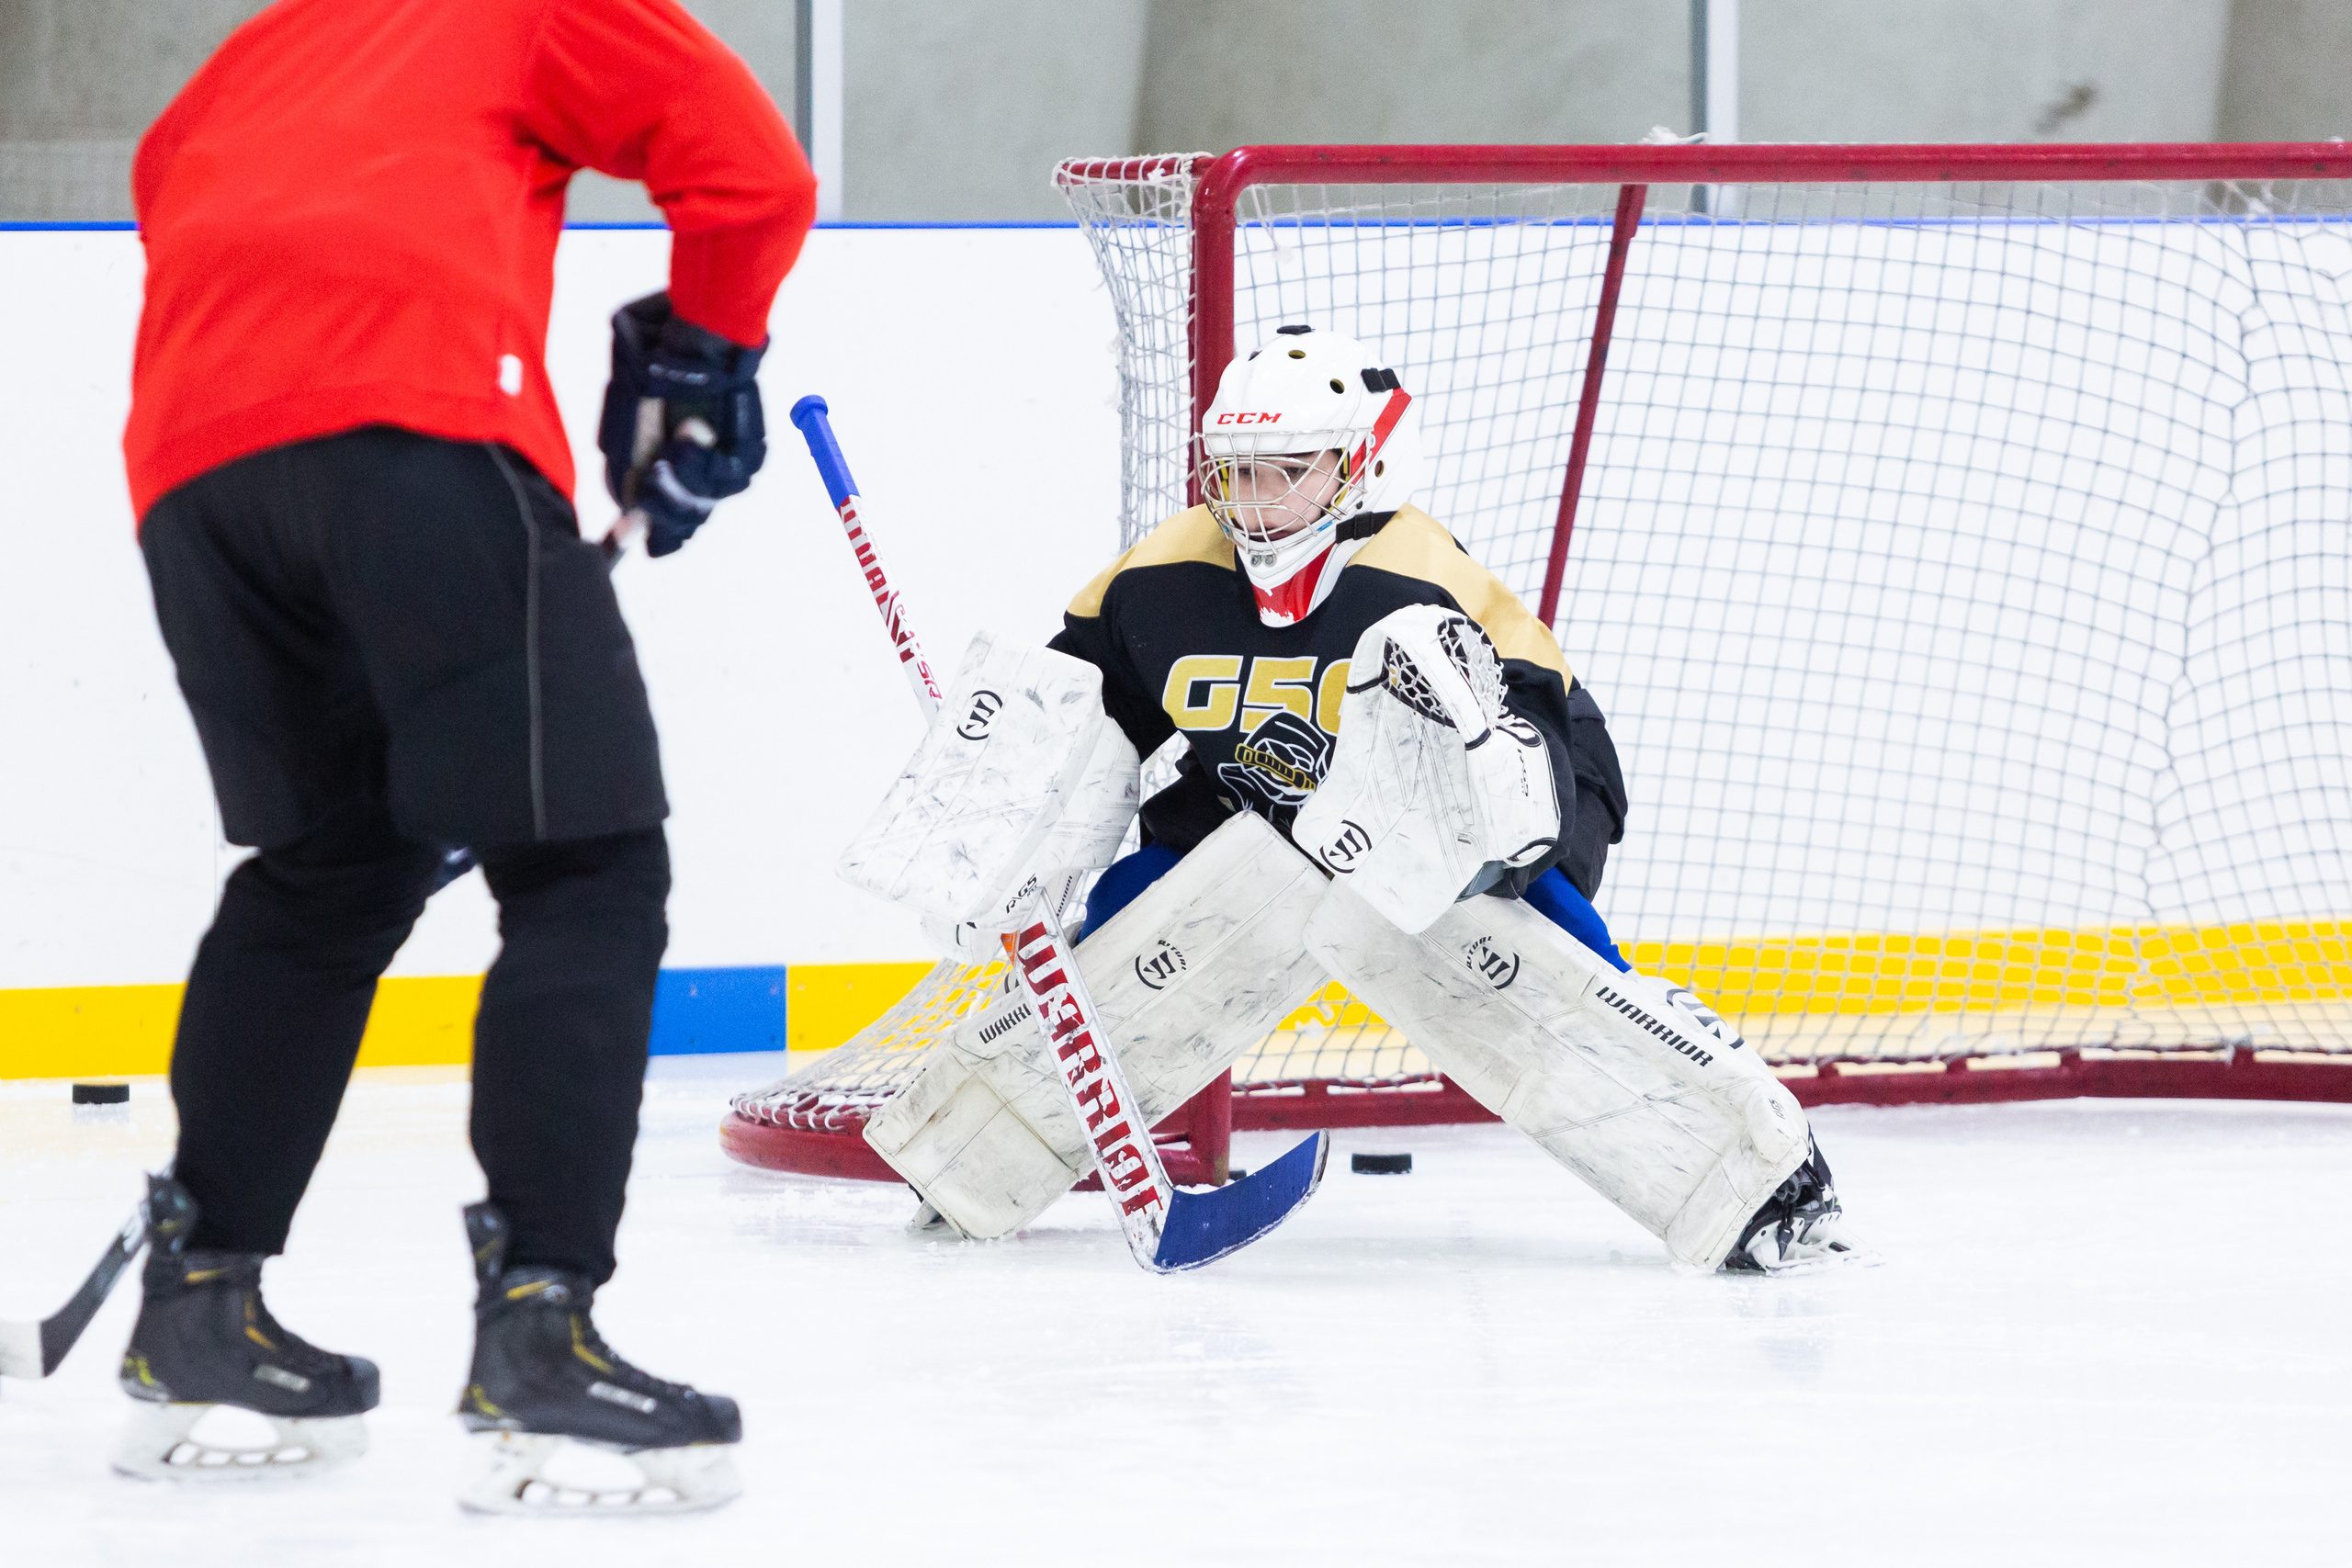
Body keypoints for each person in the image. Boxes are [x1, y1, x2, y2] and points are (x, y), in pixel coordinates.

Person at [114, 0, 814, 1513]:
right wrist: (705, 358)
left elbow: (192, 201)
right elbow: (754, 177)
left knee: (328, 864)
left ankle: (195, 1308)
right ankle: (542, 1336)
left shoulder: (245, 61)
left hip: (193, 477)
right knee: (587, 861)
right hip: (415, 436)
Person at [854, 325, 1866, 1276]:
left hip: (1473, 792)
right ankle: (979, 1149)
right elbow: (1074, 733)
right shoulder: (1155, 584)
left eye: (1283, 473)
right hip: (1257, 795)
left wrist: (1503, 869)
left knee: (1535, 950)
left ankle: (1761, 1174)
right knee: (1124, 928)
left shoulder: (1416, 586)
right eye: (1234, 472)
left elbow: (1529, 761)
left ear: (1359, 466)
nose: (1250, 501)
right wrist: (1004, 814)